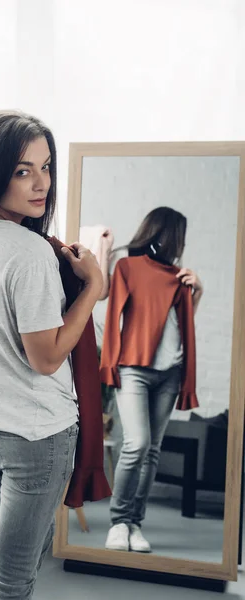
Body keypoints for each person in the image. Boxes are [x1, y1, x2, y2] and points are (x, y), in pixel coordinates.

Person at [0, 110, 103, 600]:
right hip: (36, 435)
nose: (41, 184)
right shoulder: (26, 253)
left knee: (25, 554)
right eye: (21, 171)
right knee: (12, 581)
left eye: (46, 167)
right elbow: (47, 358)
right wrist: (93, 286)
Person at [99, 206, 203, 554]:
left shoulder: (178, 276)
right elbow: (114, 312)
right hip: (134, 369)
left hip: (170, 372)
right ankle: (118, 522)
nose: (181, 243)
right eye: (179, 236)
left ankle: (134, 524)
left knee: (152, 451)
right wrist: (110, 364)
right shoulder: (128, 266)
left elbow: (179, 326)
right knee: (137, 444)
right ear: (165, 232)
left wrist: (195, 293)